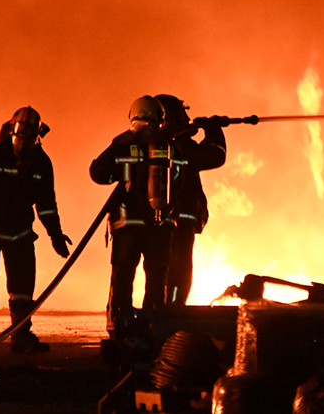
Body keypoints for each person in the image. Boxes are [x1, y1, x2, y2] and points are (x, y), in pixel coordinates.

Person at [0, 106, 72, 352]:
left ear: (37, 138)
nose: (23, 144)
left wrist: (55, 234)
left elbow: (46, 205)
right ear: (12, 133)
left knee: (22, 290)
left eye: (29, 139)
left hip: (21, 233)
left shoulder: (41, 163)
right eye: (20, 137)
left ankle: (21, 337)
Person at [89, 96, 176, 338]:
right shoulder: (168, 144)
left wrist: (119, 174)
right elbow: (182, 178)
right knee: (157, 276)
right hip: (160, 224)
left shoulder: (122, 144)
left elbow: (97, 173)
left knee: (123, 274)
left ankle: (121, 326)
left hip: (127, 224)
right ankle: (154, 327)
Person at [154, 94, 227, 306]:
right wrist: (213, 129)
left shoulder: (154, 143)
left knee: (162, 268)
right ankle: (173, 310)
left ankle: (161, 308)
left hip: (158, 219)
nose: (187, 119)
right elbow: (215, 155)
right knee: (179, 268)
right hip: (180, 218)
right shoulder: (179, 146)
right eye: (182, 114)